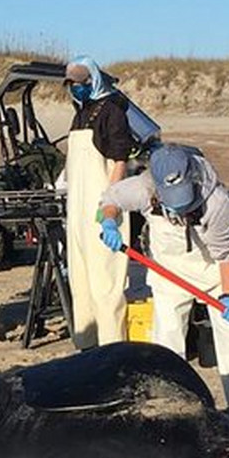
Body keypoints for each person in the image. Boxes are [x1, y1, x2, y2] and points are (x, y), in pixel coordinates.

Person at [98, 143, 229, 438]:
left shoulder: (217, 202)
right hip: (169, 271)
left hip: (218, 273)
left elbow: (228, 255)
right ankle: (171, 422)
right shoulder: (143, 188)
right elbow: (112, 197)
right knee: (166, 347)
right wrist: (108, 221)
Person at [63, 55, 138, 350]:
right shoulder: (80, 113)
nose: (75, 89)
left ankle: (112, 346)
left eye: (80, 84)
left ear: (92, 81)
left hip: (103, 205)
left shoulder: (111, 111)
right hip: (77, 208)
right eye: (71, 85)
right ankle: (87, 343)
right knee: (80, 277)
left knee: (105, 280)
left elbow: (119, 160)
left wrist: (110, 204)